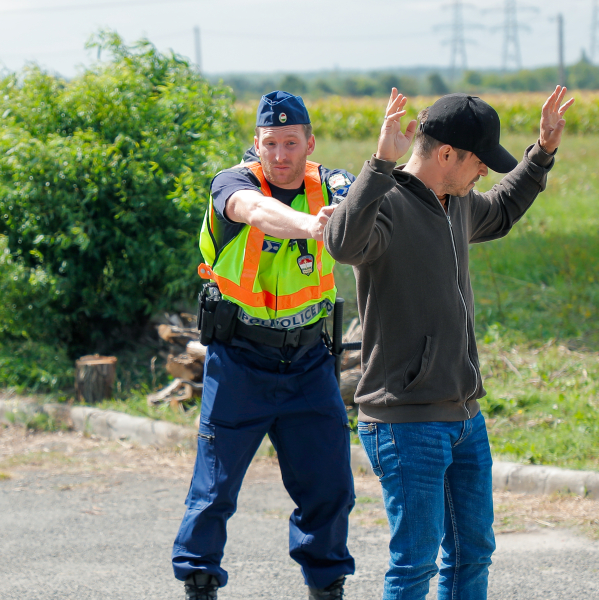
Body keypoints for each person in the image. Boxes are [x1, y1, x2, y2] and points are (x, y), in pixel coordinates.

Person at [324, 86, 573, 600]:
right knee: (414, 566)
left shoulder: (455, 202)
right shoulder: (385, 204)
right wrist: (378, 164)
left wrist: (542, 153)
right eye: (479, 161)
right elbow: (343, 244)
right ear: (445, 154)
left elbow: (501, 210)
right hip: (404, 419)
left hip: (463, 415)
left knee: (472, 553)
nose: (484, 171)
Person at [172, 91, 357, 600]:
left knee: (331, 487)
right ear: (256, 143)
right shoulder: (232, 183)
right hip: (239, 361)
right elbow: (254, 211)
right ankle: (199, 583)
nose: (279, 154)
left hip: (309, 361)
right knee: (214, 489)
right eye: (270, 143)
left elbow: (368, 201)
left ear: (309, 143)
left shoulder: (333, 186)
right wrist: (312, 227)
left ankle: (327, 586)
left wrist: (385, 162)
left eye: (290, 142)